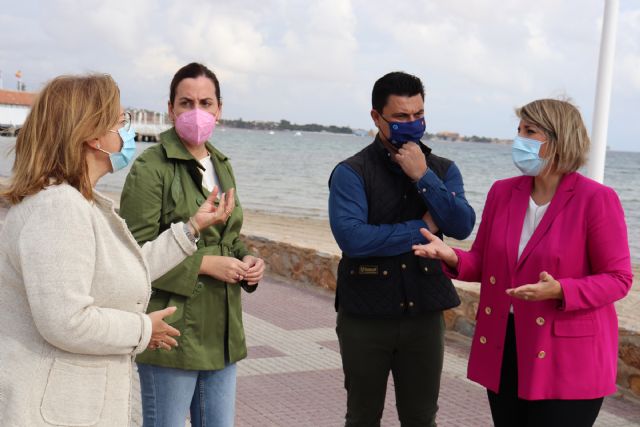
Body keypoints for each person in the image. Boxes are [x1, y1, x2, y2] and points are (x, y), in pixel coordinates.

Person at [0, 74, 233, 426]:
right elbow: (65, 321)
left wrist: (190, 230)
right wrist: (142, 330)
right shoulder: (59, 209)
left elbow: (125, 270)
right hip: (55, 410)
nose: (127, 132)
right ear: (92, 135)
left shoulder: (77, 203)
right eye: (120, 122)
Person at [412, 99, 633, 426]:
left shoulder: (596, 200)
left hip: (567, 358)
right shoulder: (502, 193)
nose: (520, 140)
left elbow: (618, 278)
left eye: (530, 131)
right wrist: (452, 257)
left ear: (559, 140)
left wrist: (561, 290)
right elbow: (485, 264)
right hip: (506, 345)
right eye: (518, 131)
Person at [119, 62, 265, 427]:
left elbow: (229, 236)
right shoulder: (150, 167)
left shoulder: (222, 165)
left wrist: (247, 258)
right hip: (173, 330)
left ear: (219, 109)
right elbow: (133, 253)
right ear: (171, 108)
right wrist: (204, 264)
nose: (196, 112)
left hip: (222, 330)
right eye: (186, 103)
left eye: (206, 102)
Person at [328, 71, 476, 426]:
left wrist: (423, 177)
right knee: (362, 416)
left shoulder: (442, 170)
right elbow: (354, 239)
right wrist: (422, 228)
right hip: (365, 316)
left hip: (424, 315)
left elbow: (462, 225)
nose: (412, 123)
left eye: (418, 115)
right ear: (376, 117)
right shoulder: (351, 172)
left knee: (421, 418)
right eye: (400, 117)